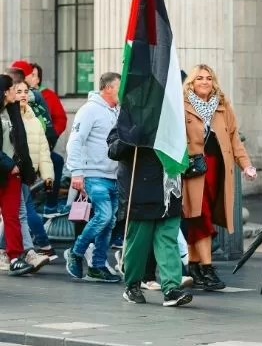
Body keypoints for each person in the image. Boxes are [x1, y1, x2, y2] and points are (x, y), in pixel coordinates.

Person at [182, 64, 257, 291]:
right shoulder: (182, 106)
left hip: (218, 170)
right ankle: (207, 267)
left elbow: (235, 140)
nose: (204, 82)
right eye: (199, 78)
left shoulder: (223, 106)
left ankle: (194, 266)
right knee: (200, 216)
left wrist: (246, 165)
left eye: (208, 78)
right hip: (193, 171)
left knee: (202, 217)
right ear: (191, 83)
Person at [108, 126, 193, 308]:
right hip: (141, 190)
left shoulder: (172, 117)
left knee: (168, 240)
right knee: (138, 243)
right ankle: (132, 285)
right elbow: (114, 150)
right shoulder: (131, 118)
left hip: (169, 190)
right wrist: (134, 132)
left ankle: (171, 288)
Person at [64, 72, 122, 283]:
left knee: (109, 222)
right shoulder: (89, 110)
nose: (123, 91)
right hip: (94, 174)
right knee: (104, 216)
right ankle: (76, 251)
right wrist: (76, 172)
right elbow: (75, 141)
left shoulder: (119, 111)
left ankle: (97, 266)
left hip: (114, 175)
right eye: (119, 86)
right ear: (107, 88)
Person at [0, 74, 36, 276]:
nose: (17, 93)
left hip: (13, 173)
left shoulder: (13, 111)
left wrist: (26, 170)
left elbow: (21, 144)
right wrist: (8, 165)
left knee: (12, 216)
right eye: (14, 89)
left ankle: (15, 257)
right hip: (6, 168)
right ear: (5, 92)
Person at [26, 62, 67, 217]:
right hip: (24, 149)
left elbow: (60, 119)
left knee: (55, 163)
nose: (31, 77)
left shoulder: (47, 95)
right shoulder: (18, 94)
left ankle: (51, 205)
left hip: (43, 146)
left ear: (38, 79)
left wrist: (50, 138)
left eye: (34, 75)